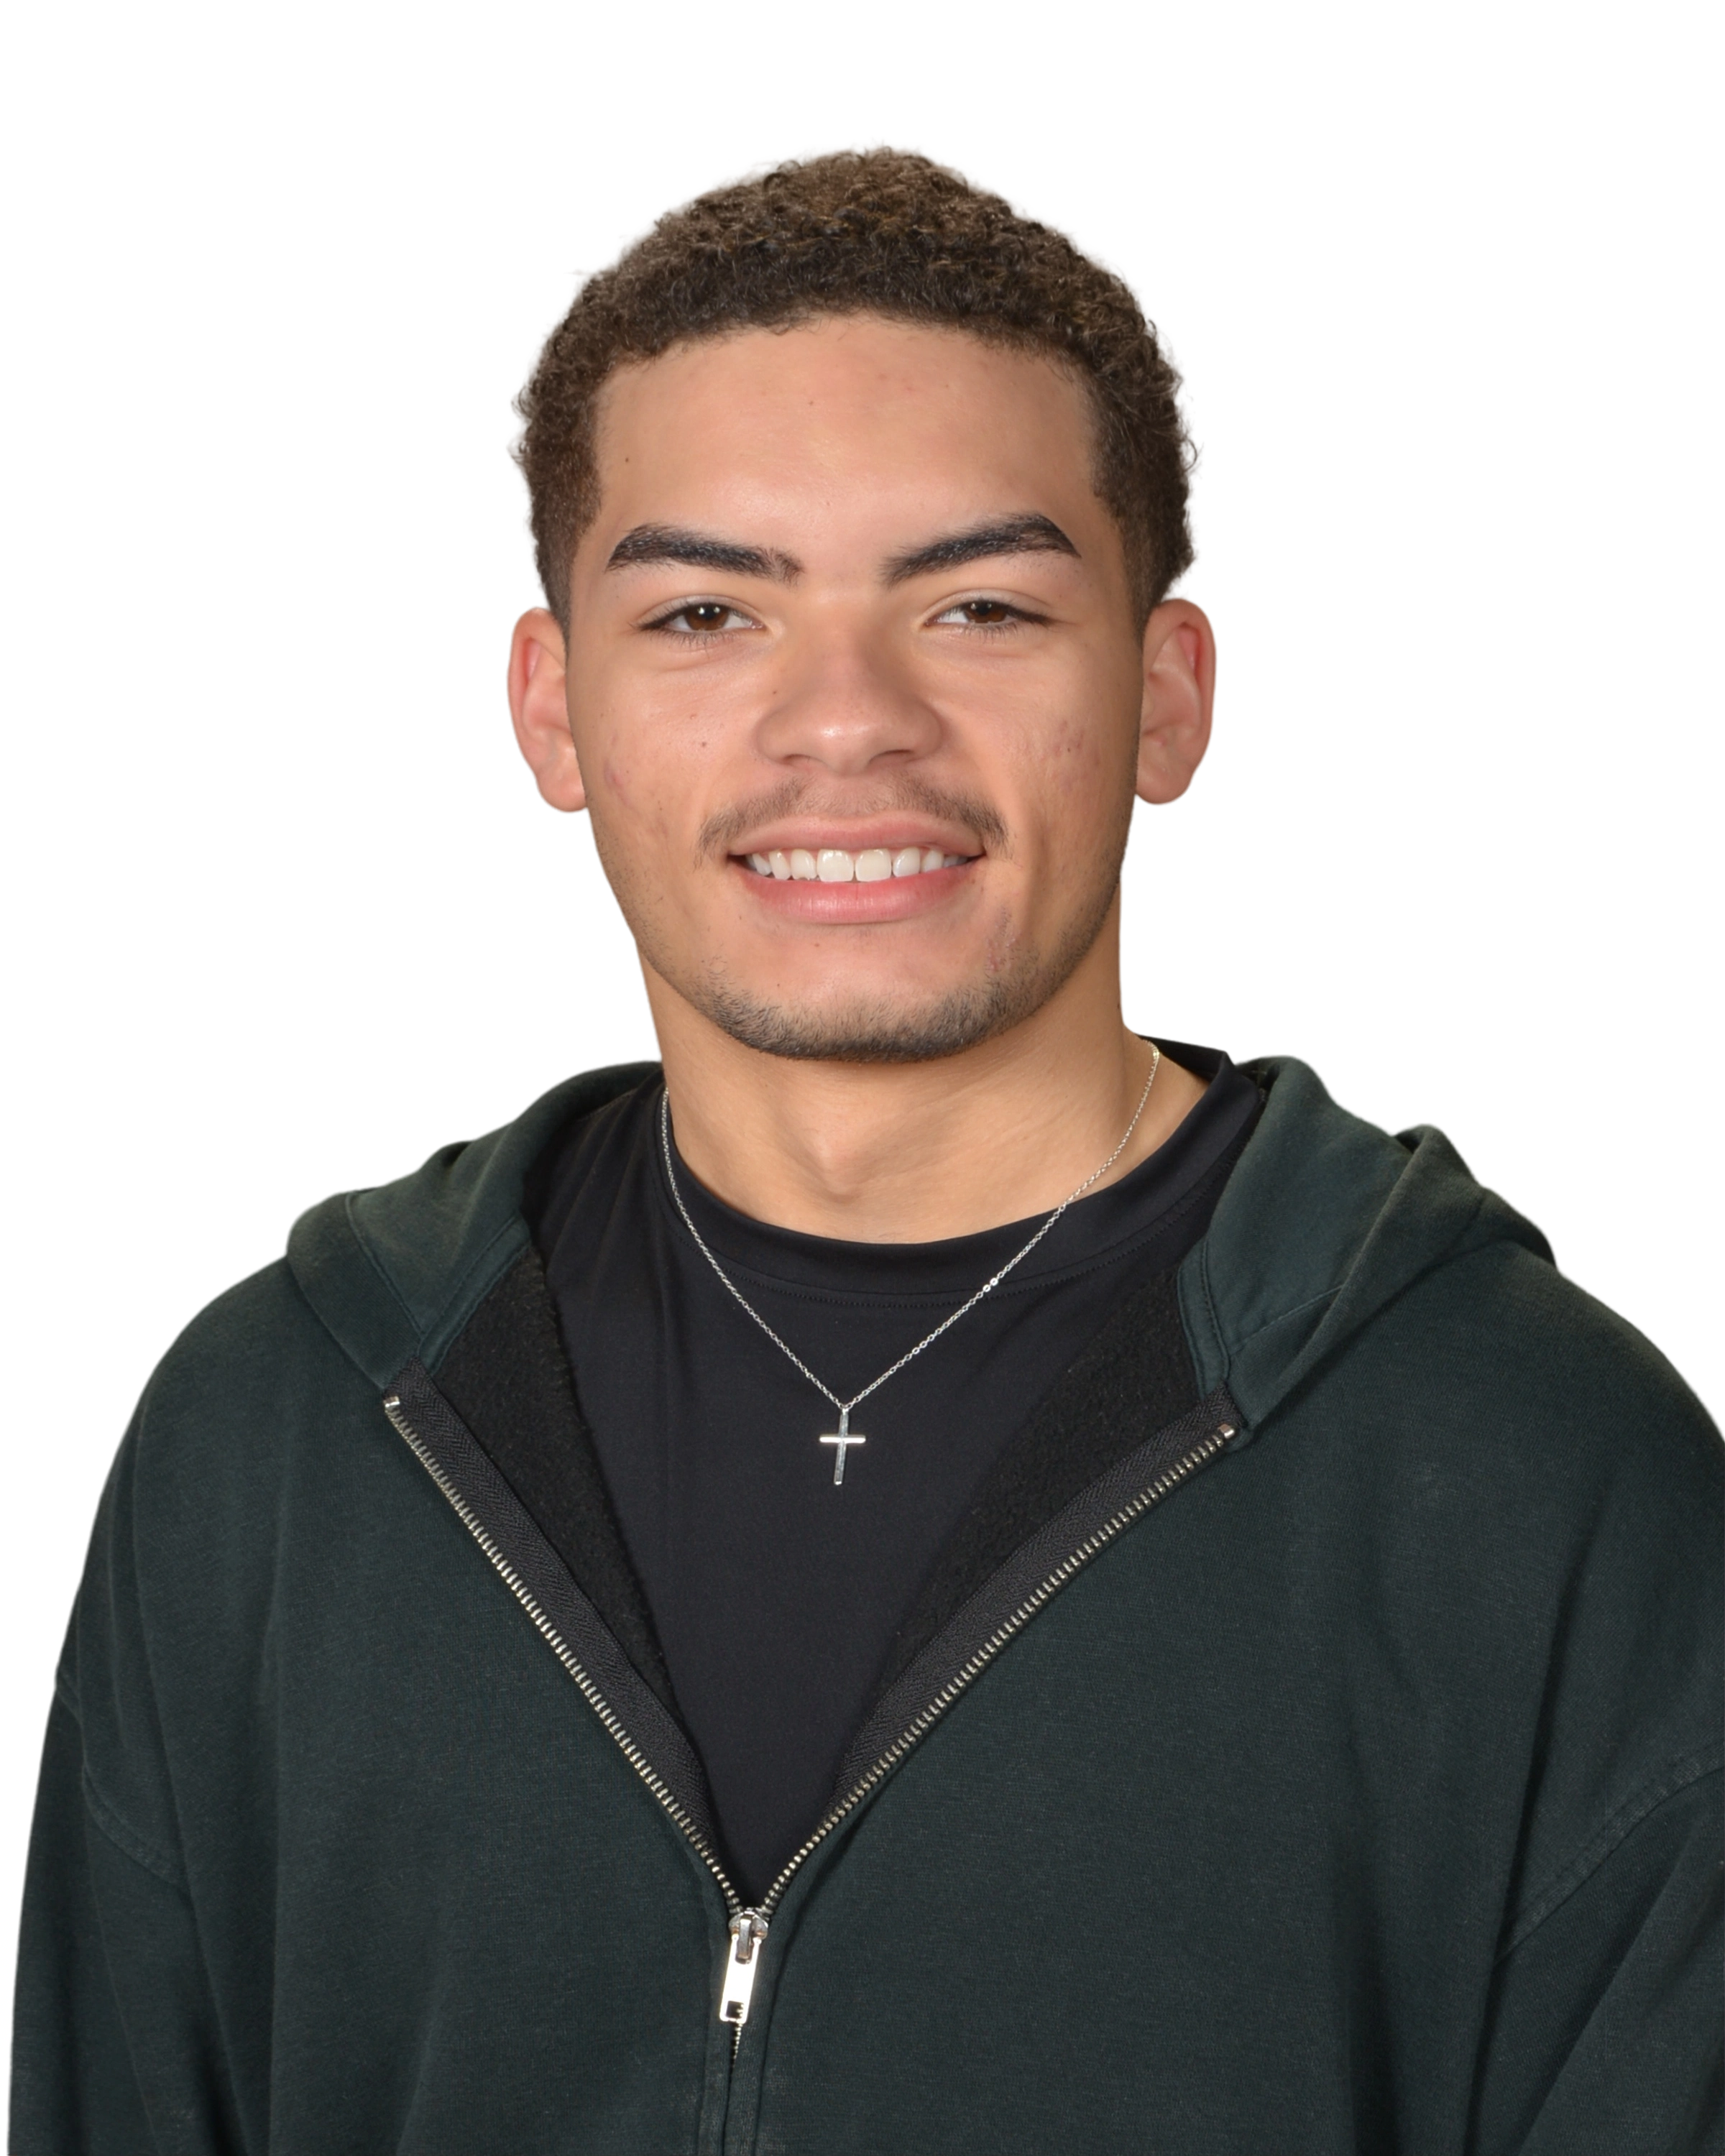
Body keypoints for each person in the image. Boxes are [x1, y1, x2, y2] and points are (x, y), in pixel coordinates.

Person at [12, 136, 1721, 2156]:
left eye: (980, 606)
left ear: (1168, 693)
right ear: (548, 708)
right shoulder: (276, 1438)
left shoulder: (1551, 1483)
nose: (846, 722)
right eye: (706, 614)